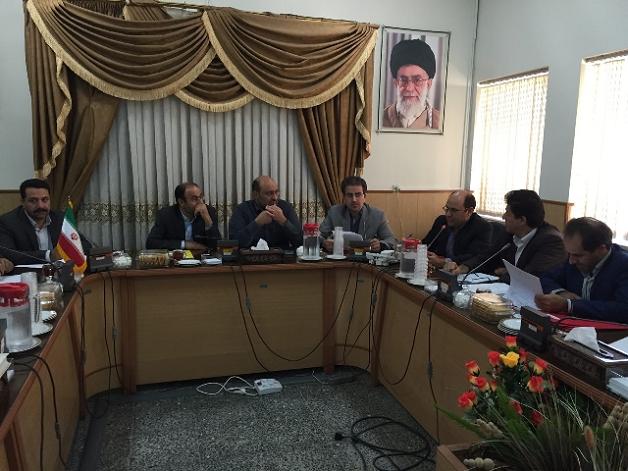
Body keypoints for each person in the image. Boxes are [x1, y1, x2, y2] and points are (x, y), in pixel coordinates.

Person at [454, 190, 566, 281]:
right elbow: (487, 257)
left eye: (508, 213)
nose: (503, 217)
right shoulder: (509, 233)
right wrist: (465, 267)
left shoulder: (551, 241)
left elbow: (530, 278)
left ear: (522, 220)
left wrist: (506, 273)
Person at [536, 218, 628, 322]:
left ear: (601, 249)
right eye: (569, 253)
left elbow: (623, 309)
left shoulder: (624, 266)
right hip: (572, 325)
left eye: (578, 255)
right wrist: (561, 293)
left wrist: (569, 305)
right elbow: (545, 277)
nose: (571, 261)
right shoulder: (573, 256)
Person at [0, 178, 91, 265]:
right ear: (23, 202)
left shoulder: (60, 218)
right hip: (27, 274)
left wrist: (67, 250)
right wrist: (49, 255)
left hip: (61, 271)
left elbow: (85, 245)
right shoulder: (8, 222)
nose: (40, 206)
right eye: (33, 201)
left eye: (45, 200)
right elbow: (9, 254)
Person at [319, 176, 396, 253]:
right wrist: (324, 243)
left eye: (358, 195)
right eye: (350, 195)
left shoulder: (377, 215)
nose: (354, 200)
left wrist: (380, 245)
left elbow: (391, 239)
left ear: (364, 196)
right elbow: (319, 236)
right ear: (344, 197)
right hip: (341, 256)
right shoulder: (334, 212)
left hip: (366, 258)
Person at [228, 176, 302, 250]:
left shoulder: (285, 207)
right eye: (269, 193)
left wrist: (283, 221)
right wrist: (256, 223)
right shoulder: (242, 210)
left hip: (281, 255)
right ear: (256, 194)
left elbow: (300, 242)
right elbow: (235, 244)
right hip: (252, 256)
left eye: (276, 192)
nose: (275, 198)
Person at [423, 190, 491, 268]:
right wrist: (416, 247)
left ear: (469, 211)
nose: (448, 214)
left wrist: (445, 262)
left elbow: (474, 257)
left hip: (461, 272)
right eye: (447, 208)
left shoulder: (481, 227)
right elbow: (426, 244)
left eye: (454, 210)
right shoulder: (441, 221)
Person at [383, 38, 440, 129]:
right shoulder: (378, 119)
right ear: (395, 83)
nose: (409, 88)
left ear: (429, 84)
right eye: (403, 80)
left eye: (417, 80)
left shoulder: (441, 123)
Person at [146, 182, 221, 251]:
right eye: (194, 199)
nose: (200, 202)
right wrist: (185, 244)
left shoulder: (209, 212)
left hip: (201, 259)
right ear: (181, 202)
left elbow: (217, 245)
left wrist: (207, 220)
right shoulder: (166, 214)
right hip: (176, 259)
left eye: (201, 197)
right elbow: (151, 243)